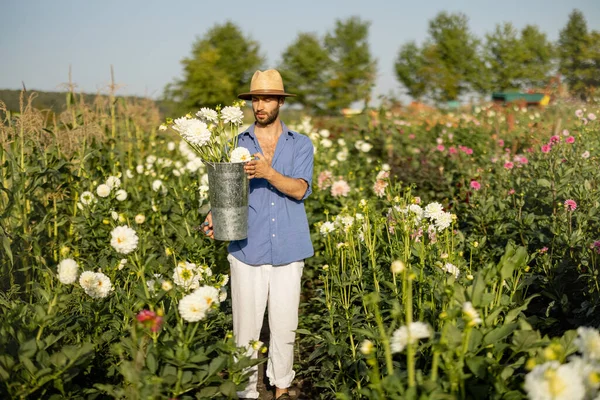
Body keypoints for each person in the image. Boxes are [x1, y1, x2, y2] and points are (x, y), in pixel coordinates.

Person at [202, 69, 314, 400]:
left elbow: (299, 190)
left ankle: (281, 387)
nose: (259, 105)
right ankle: (246, 392)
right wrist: (214, 214)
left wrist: (268, 172)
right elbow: (227, 195)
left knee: (284, 328)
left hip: (289, 249)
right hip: (246, 249)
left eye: (266, 98)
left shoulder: (300, 144)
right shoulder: (234, 144)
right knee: (245, 331)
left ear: (280, 101)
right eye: (255, 99)